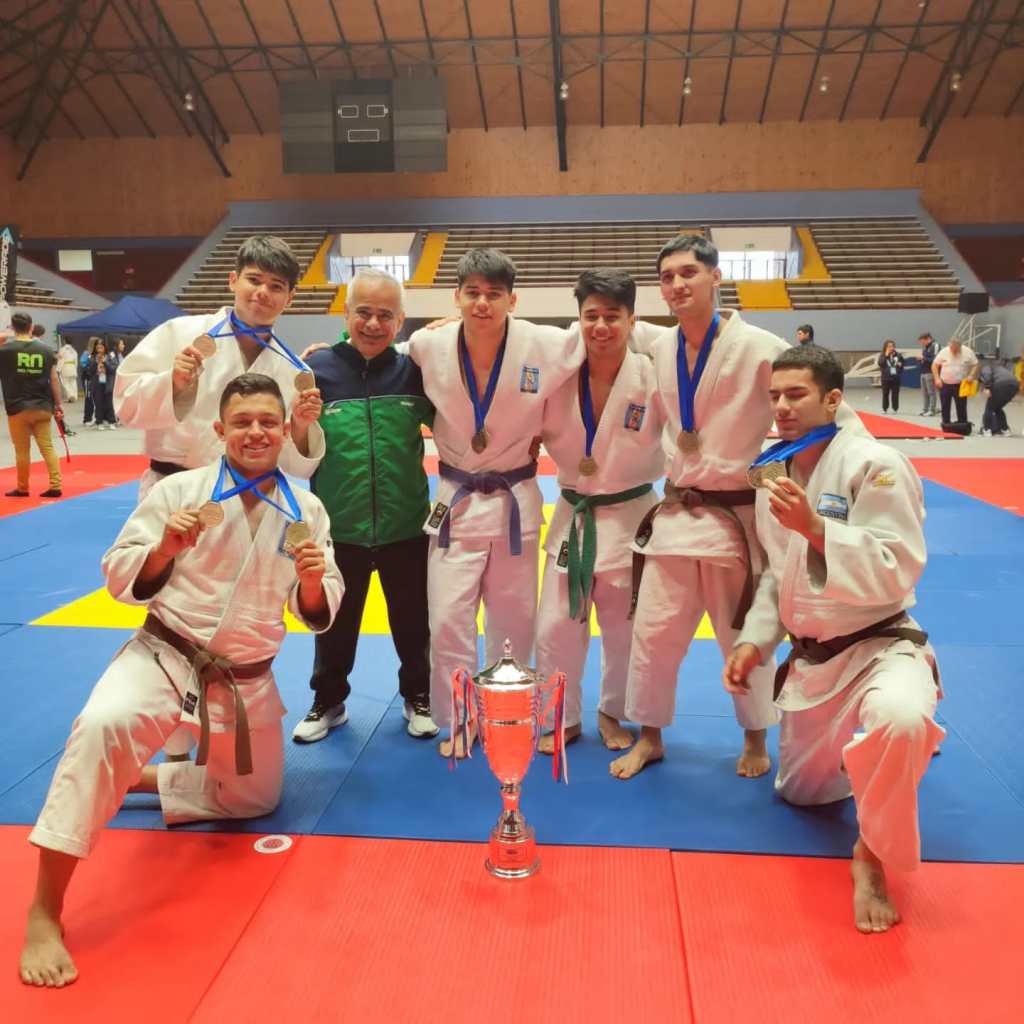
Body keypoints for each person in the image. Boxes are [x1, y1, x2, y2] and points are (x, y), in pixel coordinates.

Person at [18, 374, 343, 988]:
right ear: (220, 429)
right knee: (104, 726)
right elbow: (119, 574)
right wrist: (164, 549)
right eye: (242, 421)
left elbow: (320, 606)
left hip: (243, 675)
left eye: (267, 422)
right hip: (166, 654)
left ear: (285, 431)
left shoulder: (308, 509)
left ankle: (138, 778)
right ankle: (45, 908)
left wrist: (309, 582)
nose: (255, 432)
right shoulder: (180, 491)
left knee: (253, 801)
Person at [724, 344, 943, 934]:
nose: (782, 406)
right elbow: (780, 574)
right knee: (802, 795)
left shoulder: (877, 464)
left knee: (901, 719)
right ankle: (881, 757)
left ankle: (871, 856)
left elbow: (898, 567)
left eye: (796, 394)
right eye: (775, 395)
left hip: (880, 646)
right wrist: (754, 641)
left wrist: (817, 528)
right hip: (816, 662)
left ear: (833, 399)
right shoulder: (775, 469)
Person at [609, 234, 782, 781]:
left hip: (736, 519)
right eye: (667, 277)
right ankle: (650, 737)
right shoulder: (658, 345)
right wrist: (451, 326)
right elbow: (583, 328)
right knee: (653, 632)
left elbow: (815, 404)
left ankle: (755, 737)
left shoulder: (762, 347)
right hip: (677, 515)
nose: (678, 284)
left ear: (715, 276)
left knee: (741, 634)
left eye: (689, 273)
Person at [405, 248, 583, 757]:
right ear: (457, 297)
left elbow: (604, 332)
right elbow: (380, 351)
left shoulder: (545, 343)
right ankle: (461, 719)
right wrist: (328, 351)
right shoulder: (427, 343)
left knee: (514, 623)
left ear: (512, 299)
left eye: (493, 294)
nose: (482, 303)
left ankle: (506, 715)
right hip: (455, 502)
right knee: (447, 621)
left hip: (513, 504)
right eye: (473, 293)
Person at [292, 269, 438, 743]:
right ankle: (328, 701)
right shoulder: (315, 371)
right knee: (335, 624)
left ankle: (419, 696)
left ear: (400, 320)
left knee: (413, 623)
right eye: (364, 312)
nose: (373, 324)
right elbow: (297, 447)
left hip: (406, 524)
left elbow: (451, 421)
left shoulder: (414, 371)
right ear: (345, 314)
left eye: (385, 315)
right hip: (340, 527)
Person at [535, 269, 665, 752]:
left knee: (625, 629)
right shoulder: (558, 372)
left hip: (632, 515)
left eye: (613, 316)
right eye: (591, 316)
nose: (601, 326)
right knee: (555, 627)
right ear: (579, 320)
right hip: (575, 515)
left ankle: (613, 711)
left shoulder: (654, 376)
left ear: (632, 320)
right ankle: (561, 716)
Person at [114, 234, 325, 502]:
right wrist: (173, 384)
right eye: (254, 280)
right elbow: (125, 407)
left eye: (276, 286)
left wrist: (300, 427)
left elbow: (298, 468)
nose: (263, 292)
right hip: (172, 491)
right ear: (233, 280)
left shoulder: (295, 371)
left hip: (249, 498)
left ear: (290, 296)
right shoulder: (179, 333)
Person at [0, 311, 63, 498]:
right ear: (31, 327)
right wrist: (58, 405)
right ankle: (55, 485)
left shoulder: (5, 351)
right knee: (47, 447)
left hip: (17, 407)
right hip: (43, 406)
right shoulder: (46, 350)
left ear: (12, 327)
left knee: (22, 450)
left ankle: (23, 488)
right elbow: (54, 379)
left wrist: (4, 337)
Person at [932, 337, 978, 426]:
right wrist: (937, 378)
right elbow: (934, 365)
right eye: (951, 349)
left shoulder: (968, 352)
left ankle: (962, 424)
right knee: (945, 405)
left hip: (960, 384)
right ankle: (946, 423)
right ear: (949, 345)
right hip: (945, 384)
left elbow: (975, 364)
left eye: (955, 349)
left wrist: (971, 375)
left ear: (960, 346)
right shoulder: (944, 351)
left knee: (961, 406)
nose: (953, 351)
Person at [977, 357, 1018, 436]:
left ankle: (986, 430)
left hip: (1001, 384)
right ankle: (1005, 430)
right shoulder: (999, 369)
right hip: (1014, 385)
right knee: (997, 408)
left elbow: (987, 375)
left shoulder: (986, 367)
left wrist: (987, 387)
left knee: (989, 407)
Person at [88, 340, 118, 429]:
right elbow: (89, 371)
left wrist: (105, 362)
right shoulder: (92, 356)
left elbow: (113, 369)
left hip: (108, 382)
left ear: (105, 347)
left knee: (109, 403)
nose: (99, 349)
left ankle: (111, 421)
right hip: (97, 382)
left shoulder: (111, 355)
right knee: (99, 403)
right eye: (98, 347)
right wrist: (96, 362)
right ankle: (99, 422)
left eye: (101, 347)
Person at [877, 340, 904, 413]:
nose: (891, 348)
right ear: (885, 347)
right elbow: (880, 363)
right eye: (889, 346)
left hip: (895, 378)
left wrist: (900, 366)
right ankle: (885, 408)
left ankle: (895, 409)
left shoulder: (898, 355)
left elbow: (902, 364)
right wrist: (886, 355)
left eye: (892, 346)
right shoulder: (882, 355)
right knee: (885, 394)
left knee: (895, 394)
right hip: (885, 378)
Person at [918, 333, 938, 415]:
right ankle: (925, 409)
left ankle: (932, 410)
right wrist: (921, 359)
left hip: (930, 372)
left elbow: (936, 359)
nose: (922, 344)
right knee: (924, 392)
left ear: (928, 339)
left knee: (931, 392)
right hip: (923, 372)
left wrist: (924, 358)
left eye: (922, 342)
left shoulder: (935, 345)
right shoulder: (925, 347)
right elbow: (926, 359)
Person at [57, 338, 79, 403]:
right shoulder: (74, 351)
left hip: (65, 367)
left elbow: (61, 360)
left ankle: (70, 396)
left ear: (64, 341)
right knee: (73, 383)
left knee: (65, 382)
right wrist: (75, 369)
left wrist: (58, 369)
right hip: (73, 367)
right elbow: (76, 362)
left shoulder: (62, 350)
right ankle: (74, 396)